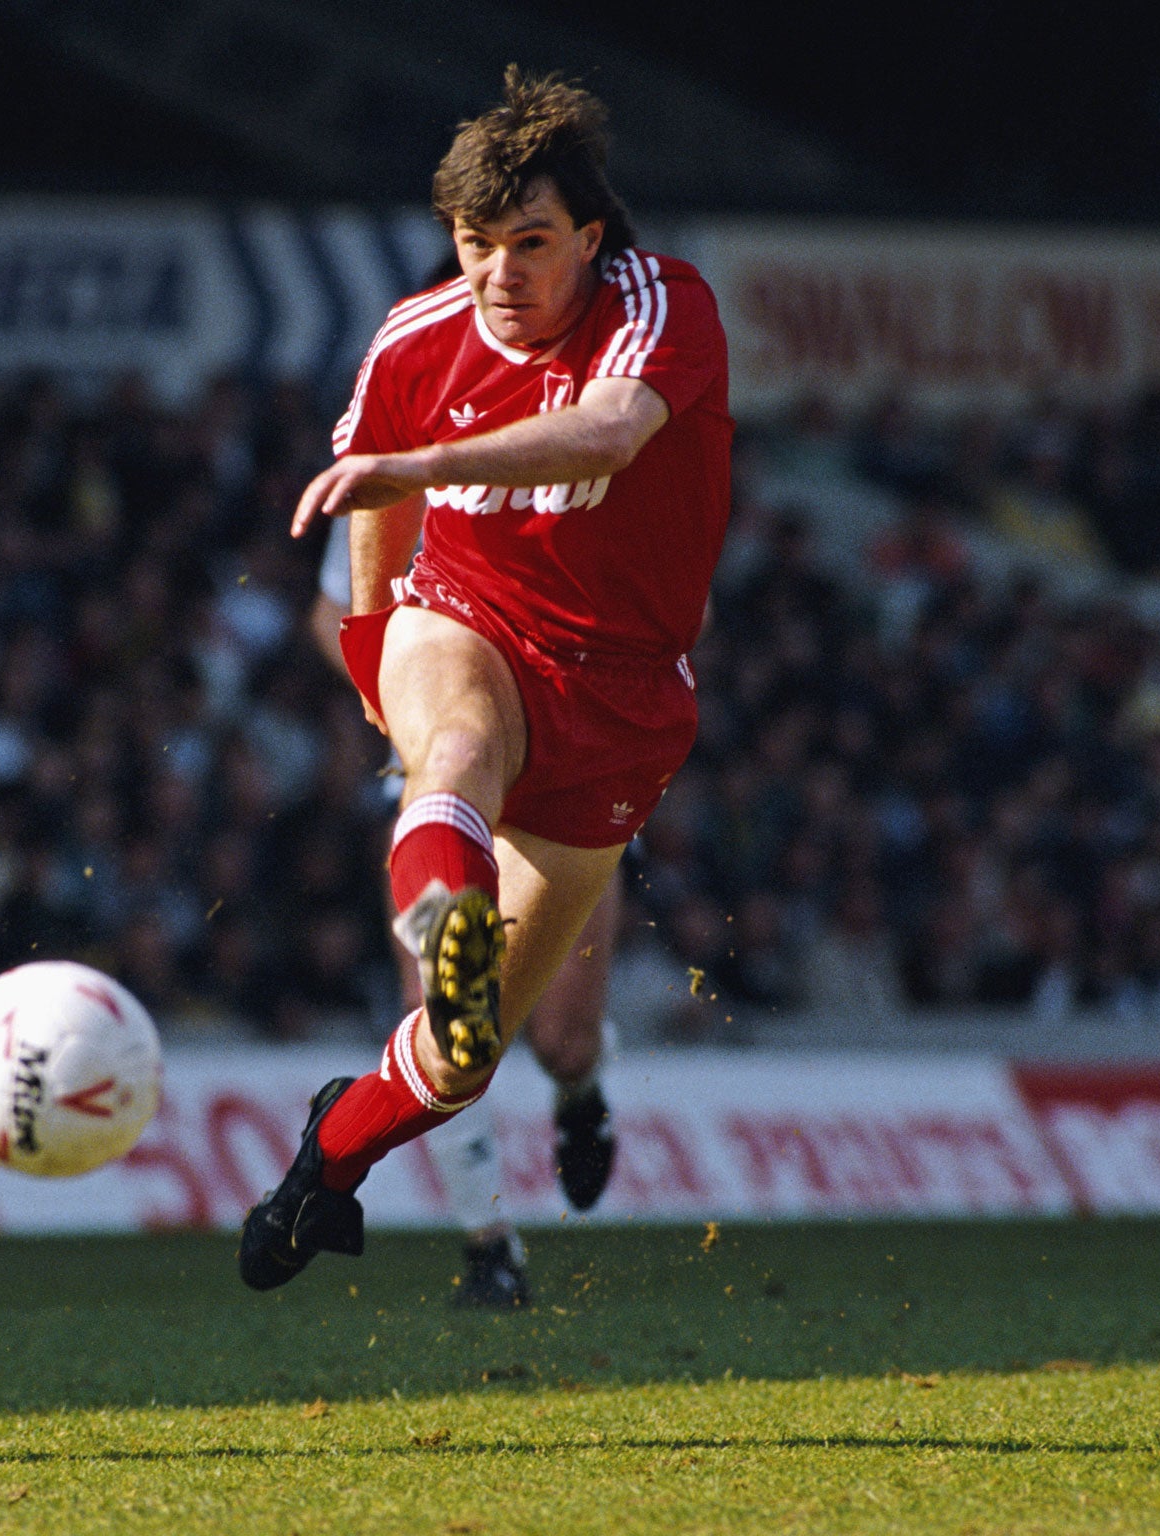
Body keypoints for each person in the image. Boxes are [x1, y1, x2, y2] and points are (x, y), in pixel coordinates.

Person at [240, 66, 731, 1290]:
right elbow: (376, 511)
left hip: (619, 704)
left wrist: (428, 458)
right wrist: (369, 648)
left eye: (530, 243)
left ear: (589, 239)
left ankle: (328, 1159)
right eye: (474, 244)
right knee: (448, 750)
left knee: (475, 1056)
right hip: (466, 621)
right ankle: (440, 921)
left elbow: (610, 431)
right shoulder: (415, 336)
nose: (500, 274)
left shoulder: (659, 306)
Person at [310, 505, 621, 1308]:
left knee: (561, 1038)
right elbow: (332, 608)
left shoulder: (583, 451)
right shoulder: (398, 468)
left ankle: (580, 1091)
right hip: (438, 787)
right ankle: (490, 1250)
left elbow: (682, 602)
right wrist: (392, 678)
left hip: (571, 785)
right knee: (440, 1013)